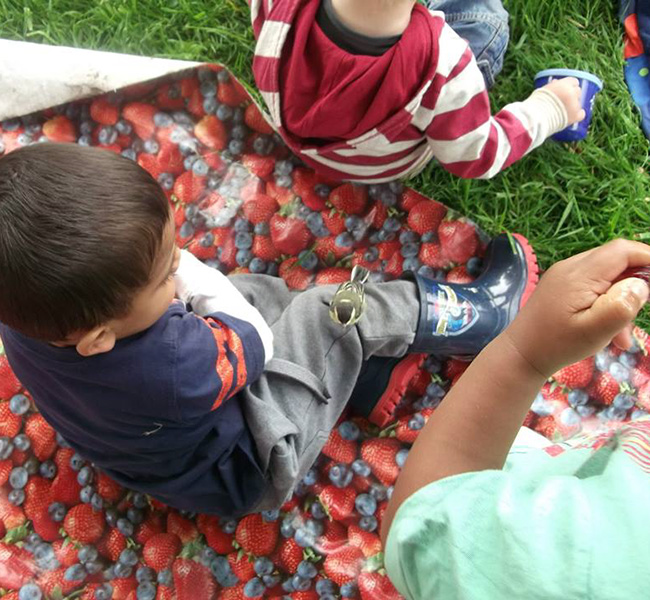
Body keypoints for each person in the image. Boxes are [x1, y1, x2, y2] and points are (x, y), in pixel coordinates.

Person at [0, 143, 537, 517]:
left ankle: (362, 381)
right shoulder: (175, 362)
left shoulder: (25, 319)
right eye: (165, 269)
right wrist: (188, 273)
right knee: (332, 309)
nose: (178, 263)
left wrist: (168, 282)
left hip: (168, 447)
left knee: (245, 289)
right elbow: (252, 337)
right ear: (97, 337)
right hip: (253, 463)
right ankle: (479, 315)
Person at [381, 238, 650, 599]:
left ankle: (356, 336)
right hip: (553, 483)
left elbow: (418, 522)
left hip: (472, 484)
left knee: (311, 322)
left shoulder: (571, 570)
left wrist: (524, 354)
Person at [248, 0, 586, 184]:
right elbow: (476, 155)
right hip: (384, 165)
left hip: (301, 140)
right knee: (485, 17)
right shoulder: (445, 64)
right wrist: (549, 108)